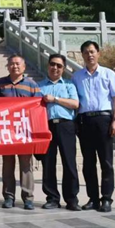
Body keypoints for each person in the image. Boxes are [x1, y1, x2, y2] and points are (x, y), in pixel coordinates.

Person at [72, 40, 115, 213]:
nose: (90, 55)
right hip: (85, 121)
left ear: (98, 53)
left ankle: (106, 199)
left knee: (106, 162)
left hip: (104, 120)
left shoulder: (108, 74)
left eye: (92, 51)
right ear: (82, 55)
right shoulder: (77, 77)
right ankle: (93, 199)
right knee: (88, 163)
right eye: (86, 52)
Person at [0, 54, 42, 210]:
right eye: (12, 64)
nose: (15, 66)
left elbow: (38, 108)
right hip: (6, 131)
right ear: (7, 66)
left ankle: (28, 197)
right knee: (7, 165)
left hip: (25, 132)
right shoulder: (0, 84)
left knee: (26, 166)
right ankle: (9, 197)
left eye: (17, 64)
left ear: (24, 67)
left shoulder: (32, 85)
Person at [38, 54, 81, 211]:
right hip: (46, 126)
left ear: (63, 68)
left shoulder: (69, 85)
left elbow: (75, 104)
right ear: (48, 65)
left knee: (69, 163)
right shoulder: (39, 87)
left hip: (66, 125)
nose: (55, 68)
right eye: (52, 64)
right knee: (48, 163)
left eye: (59, 65)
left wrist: (55, 99)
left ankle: (72, 199)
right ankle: (52, 198)